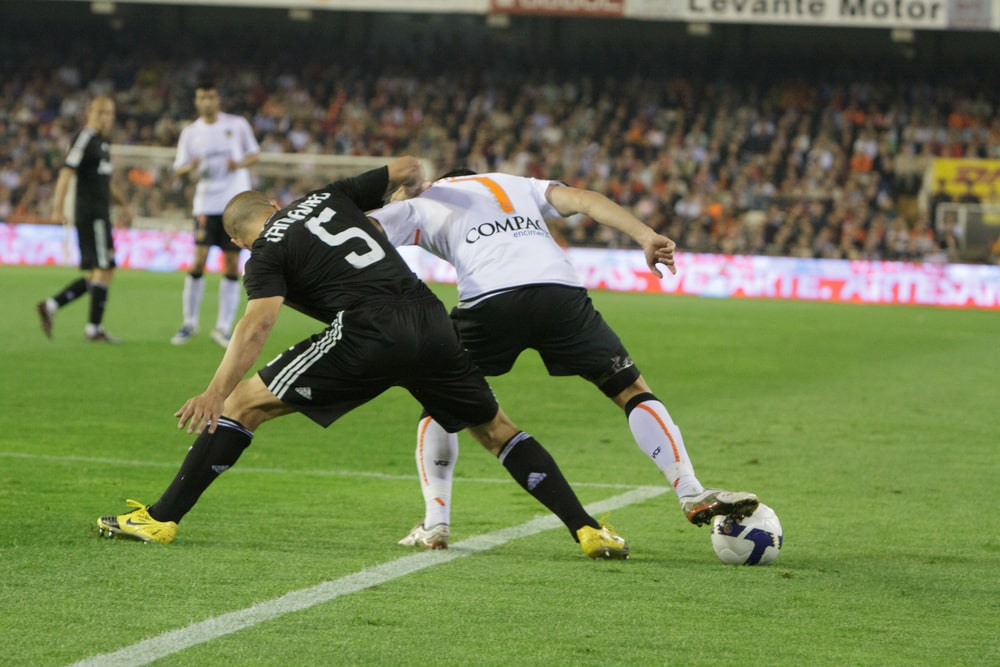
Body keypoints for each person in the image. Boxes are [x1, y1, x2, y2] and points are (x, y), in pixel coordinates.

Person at [96, 157, 629, 560]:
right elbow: (409, 167)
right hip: (432, 320)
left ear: (239, 240)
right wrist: (408, 187)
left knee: (240, 404)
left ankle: (161, 519)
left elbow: (257, 323)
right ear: (275, 207)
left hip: (369, 331)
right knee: (496, 430)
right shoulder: (330, 195)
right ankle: (587, 527)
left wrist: (214, 390)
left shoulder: (264, 253)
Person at [367, 170, 758, 549]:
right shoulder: (514, 184)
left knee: (442, 397)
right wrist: (646, 235)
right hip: (560, 294)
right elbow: (586, 200)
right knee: (629, 388)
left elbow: (365, 231)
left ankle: (435, 525)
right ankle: (690, 491)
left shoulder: (422, 199)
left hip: (489, 301)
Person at [170, 79, 260, 348]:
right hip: (205, 204)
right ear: (197, 101)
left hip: (233, 204)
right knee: (198, 260)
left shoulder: (236, 124)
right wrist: (191, 166)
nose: (207, 102)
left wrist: (238, 163)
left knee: (231, 264)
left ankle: (222, 327)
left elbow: (255, 154)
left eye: (211, 97)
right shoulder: (190, 133)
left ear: (218, 99)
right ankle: (189, 323)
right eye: (202, 97)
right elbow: (178, 168)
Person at [36, 95, 133, 343]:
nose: (106, 118)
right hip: (91, 215)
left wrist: (124, 205)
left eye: (110, 113)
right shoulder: (85, 137)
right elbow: (66, 172)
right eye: (101, 112)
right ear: (89, 113)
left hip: (101, 214)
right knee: (104, 268)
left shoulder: (102, 143)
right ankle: (93, 329)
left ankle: (51, 305)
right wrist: (57, 208)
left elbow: (106, 183)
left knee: (98, 272)